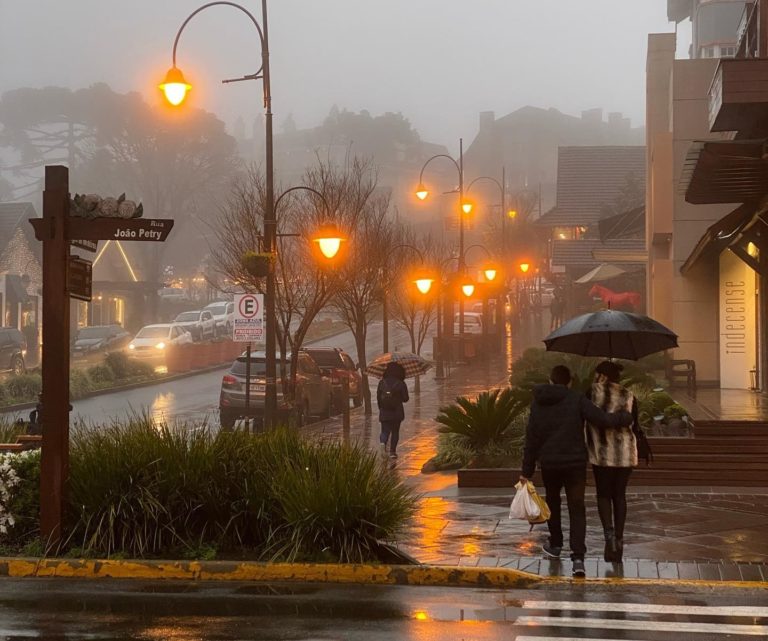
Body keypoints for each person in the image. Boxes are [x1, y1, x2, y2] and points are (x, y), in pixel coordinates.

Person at [520, 365, 632, 577]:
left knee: (552, 501)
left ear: (550, 380)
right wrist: (624, 418)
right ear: (569, 381)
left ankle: (555, 545)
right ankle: (578, 558)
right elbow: (602, 420)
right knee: (576, 508)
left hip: (550, 464)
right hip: (574, 464)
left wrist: (526, 470)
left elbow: (531, 438)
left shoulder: (538, 403)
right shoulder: (576, 398)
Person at [586, 360, 641, 564]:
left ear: (601, 375)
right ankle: (619, 538)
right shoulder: (628, 395)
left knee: (603, 494)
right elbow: (635, 424)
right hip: (625, 454)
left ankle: (608, 536)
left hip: (601, 454)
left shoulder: (591, 393)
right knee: (620, 496)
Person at [376, 362, 409, 459]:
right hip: (396, 412)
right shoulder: (401, 383)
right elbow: (406, 398)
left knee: (384, 431)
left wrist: (381, 408)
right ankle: (392, 452)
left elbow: (378, 398)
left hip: (384, 411)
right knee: (395, 431)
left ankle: (383, 442)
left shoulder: (382, 382)